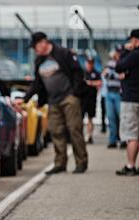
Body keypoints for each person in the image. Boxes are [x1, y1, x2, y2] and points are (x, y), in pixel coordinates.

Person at [24, 32, 88, 175]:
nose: (35, 50)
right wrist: (25, 98)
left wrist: (74, 92)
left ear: (43, 42)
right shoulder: (39, 61)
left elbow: (78, 72)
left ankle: (81, 162)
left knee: (74, 129)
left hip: (69, 98)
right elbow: (37, 83)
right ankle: (60, 163)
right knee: (56, 131)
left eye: (35, 46)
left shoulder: (63, 53)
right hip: (53, 101)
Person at [115, 29, 139, 176]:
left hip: (131, 99)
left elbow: (119, 66)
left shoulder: (136, 55)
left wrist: (125, 51)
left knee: (131, 134)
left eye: (131, 41)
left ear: (135, 40)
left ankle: (130, 166)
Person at [102, 47, 124, 149]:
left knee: (122, 117)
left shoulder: (124, 62)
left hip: (119, 93)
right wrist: (116, 75)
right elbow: (106, 75)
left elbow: (123, 77)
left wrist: (112, 74)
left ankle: (123, 139)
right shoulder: (110, 63)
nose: (117, 54)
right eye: (117, 52)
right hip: (109, 93)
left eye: (119, 52)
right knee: (111, 118)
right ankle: (112, 140)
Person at [82, 58, 102, 144]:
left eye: (91, 63)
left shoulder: (96, 73)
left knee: (90, 118)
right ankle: (80, 136)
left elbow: (100, 83)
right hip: (83, 98)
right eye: (88, 63)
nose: (89, 65)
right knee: (80, 118)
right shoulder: (82, 72)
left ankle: (89, 135)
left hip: (92, 98)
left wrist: (90, 83)